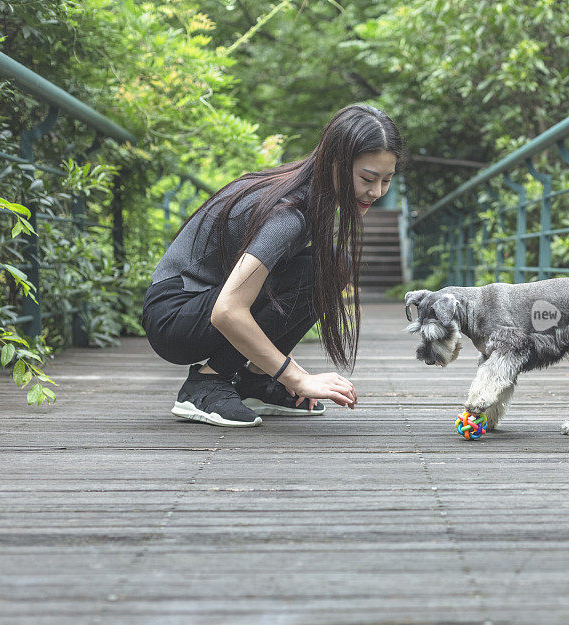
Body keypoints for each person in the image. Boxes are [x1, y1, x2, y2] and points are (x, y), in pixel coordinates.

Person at [141, 104, 402, 428]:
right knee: (323, 267)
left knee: (332, 263)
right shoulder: (288, 215)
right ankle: (205, 385)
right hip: (173, 317)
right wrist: (296, 378)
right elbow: (228, 310)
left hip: (199, 307)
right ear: (334, 162)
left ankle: (255, 383)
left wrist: (279, 367)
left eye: (386, 180)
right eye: (368, 178)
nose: (376, 192)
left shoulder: (312, 199)